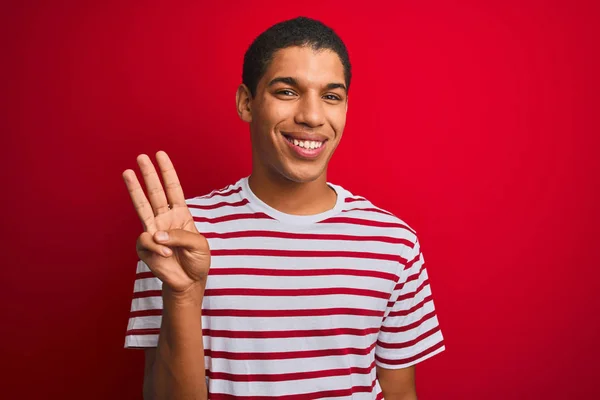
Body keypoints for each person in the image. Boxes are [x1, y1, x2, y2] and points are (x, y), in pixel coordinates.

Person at [122, 16, 445, 400]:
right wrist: (184, 294)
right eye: (287, 91)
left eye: (331, 96)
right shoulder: (179, 235)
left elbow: (399, 393)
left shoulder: (394, 244)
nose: (311, 116)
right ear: (247, 103)